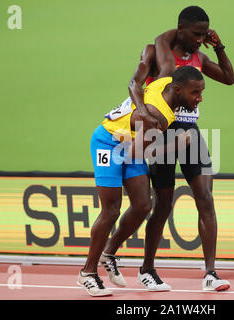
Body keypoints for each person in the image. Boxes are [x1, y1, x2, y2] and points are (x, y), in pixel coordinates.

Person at [99, 6, 234, 292]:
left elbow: (228, 77)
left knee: (206, 197)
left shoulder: (199, 57)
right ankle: (146, 268)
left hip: (191, 133)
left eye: (204, 34)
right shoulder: (156, 50)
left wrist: (219, 45)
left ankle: (210, 273)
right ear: (180, 29)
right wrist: (145, 114)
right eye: (196, 33)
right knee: (162, 205)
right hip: (160, 133)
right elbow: (135, 81)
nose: (200, 39)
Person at [77, 66, 206, 297]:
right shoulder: (159, 117)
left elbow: (137, 82)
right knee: (111, 211)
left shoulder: (165, 82)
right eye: (195, 93)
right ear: (177, 89)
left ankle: (109, 253)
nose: (200, 98)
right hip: (109, 142)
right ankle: (88, 273)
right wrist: (179, 144)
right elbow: (139, 154)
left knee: (143, 205)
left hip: (131, 142)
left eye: (201, 92)